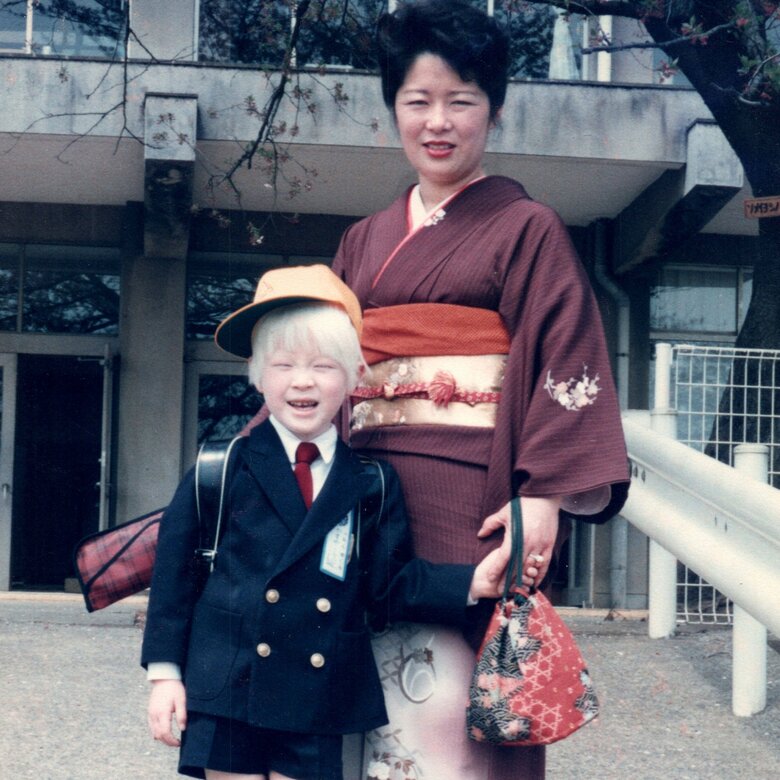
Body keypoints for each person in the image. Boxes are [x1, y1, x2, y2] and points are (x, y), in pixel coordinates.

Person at [329, 2, 631, 778]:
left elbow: (568, 362)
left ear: (493, 110)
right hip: (369, 498)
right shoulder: (362, 241)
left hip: (473, 500)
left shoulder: (527, 228)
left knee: (469, 715)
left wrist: (547, 495)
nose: (438, 121)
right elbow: (319, 367)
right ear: (392, 107)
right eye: (417, 101)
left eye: (461, 101)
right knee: (362, 698)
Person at [141, 264, 510, 780]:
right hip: (228, 686)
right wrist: (165, 678)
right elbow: (173, 581)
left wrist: (471, 582)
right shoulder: (220, 466)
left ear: (357, 376)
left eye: (324, 365)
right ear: (256, 374)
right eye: (284, 364)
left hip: (316, 697)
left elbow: (386, 585)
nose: (303, 381)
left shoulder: (370, 482)